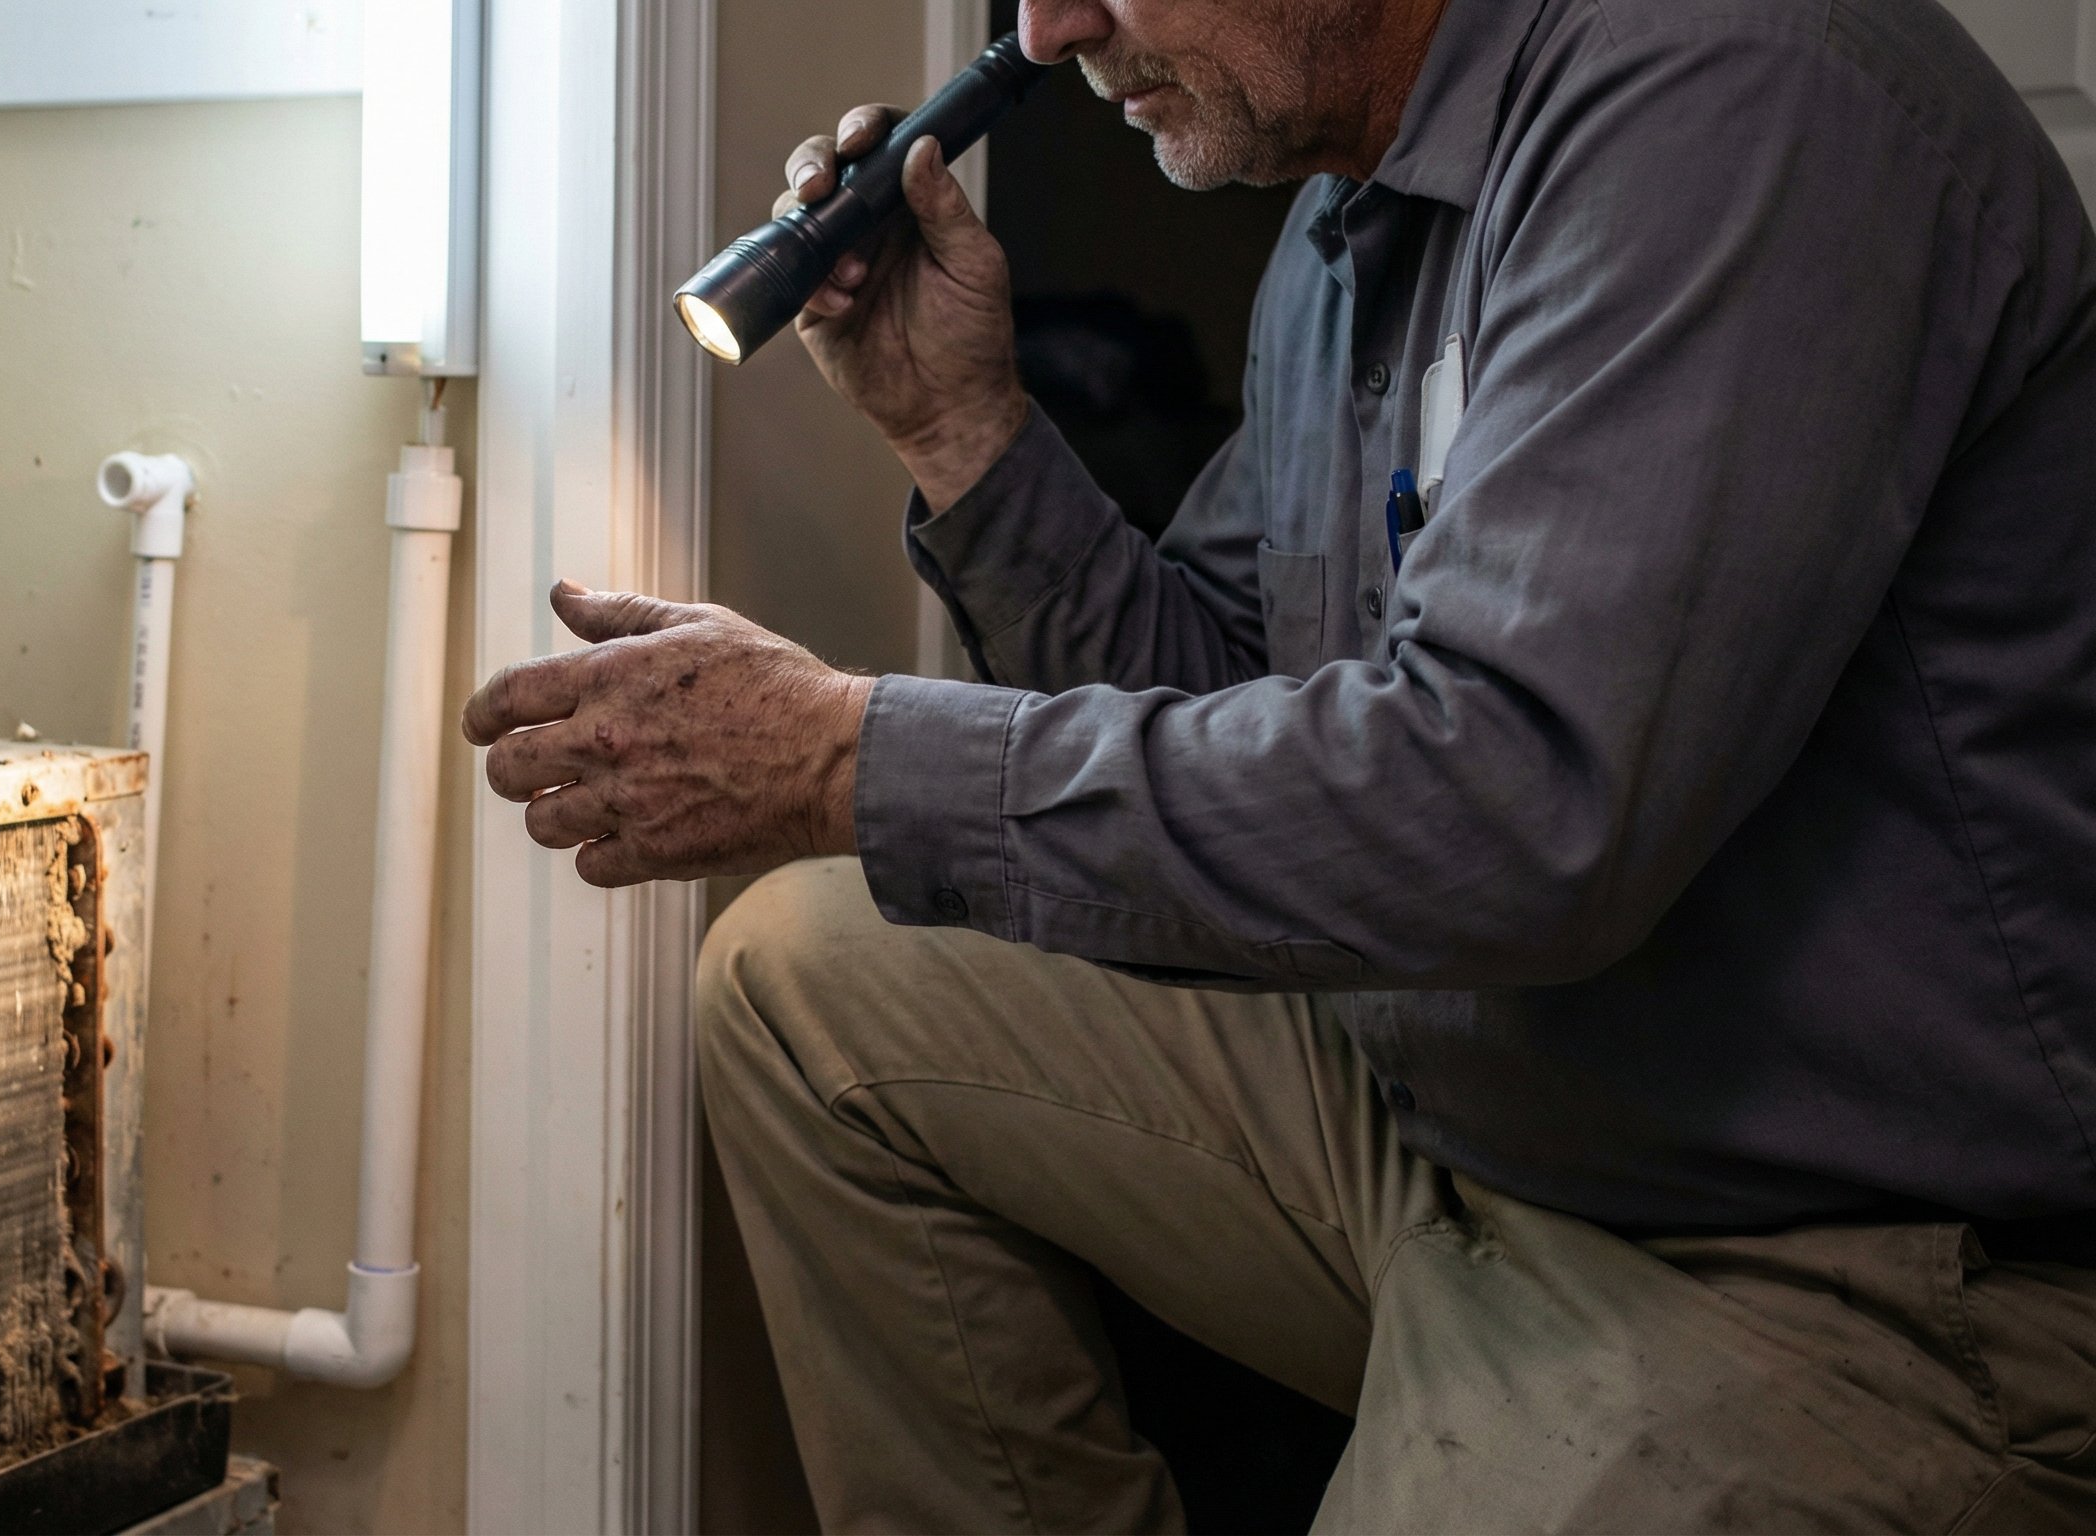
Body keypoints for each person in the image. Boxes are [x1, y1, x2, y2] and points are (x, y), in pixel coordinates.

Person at [461, 0, 2096, 1527]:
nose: (1046, 29)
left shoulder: (1739, 98)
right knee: (806, 981)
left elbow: (1519, 815)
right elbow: (1228, 700)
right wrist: (960, 435)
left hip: (1816, 1254)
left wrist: (852, 757)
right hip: (1464, 1104)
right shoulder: (1344, 228)